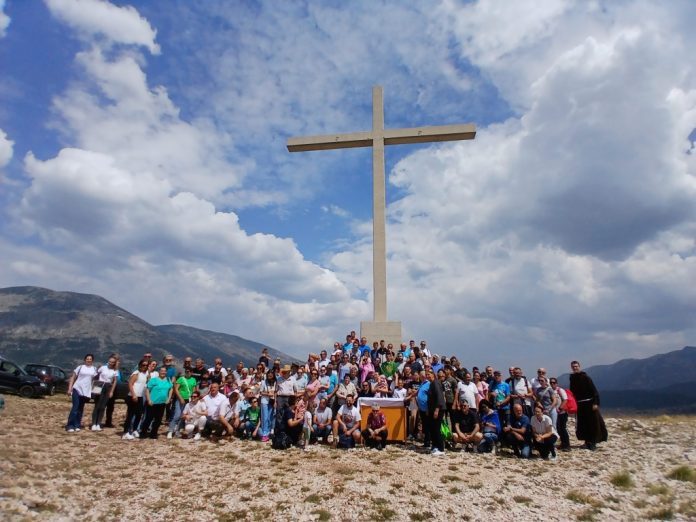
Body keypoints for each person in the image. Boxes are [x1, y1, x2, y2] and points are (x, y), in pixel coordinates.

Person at [569, 360, 607, 451]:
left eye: (576, 366)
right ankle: (587, 441)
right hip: (580, 404)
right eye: (573, 367)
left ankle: (593, 442)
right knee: (583, 424)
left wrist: (596, 403)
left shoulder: (586, 377)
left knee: (593, 423)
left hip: (589, 403)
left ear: (579, 366)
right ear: (571, 368)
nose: (575, 368)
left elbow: (594, 391)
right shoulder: (572, 378)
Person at [66, 354, 97, 433]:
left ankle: (77, 424)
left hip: (86, 391)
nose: (88, 360)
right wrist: (70, 388)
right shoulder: (80, 367)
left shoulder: (94, 369)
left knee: (80, 408)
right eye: (87, 359)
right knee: (75, 407)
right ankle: (70, 425)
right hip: (77, 388)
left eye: (90, 359)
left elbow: (95, 381)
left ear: (92, 360)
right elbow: (73, 377)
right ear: (85, 360)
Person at [140, 366, 173, 439]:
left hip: (162, 403)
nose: (163, 372)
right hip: (152, 402)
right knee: (148, 418)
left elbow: (171, 389)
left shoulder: (168, 380)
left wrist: (169, 398)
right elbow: (147, 390)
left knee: (158, 420)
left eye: (164, 371)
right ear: (159, 372)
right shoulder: (153, 380)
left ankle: (153, 434)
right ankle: (143, 432)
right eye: (161, 371)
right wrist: (148, 400)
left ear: (166, 372)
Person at [90, 355, 119, 431]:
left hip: (108, 386)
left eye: (112, 362)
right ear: (108, 361)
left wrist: (112, 391)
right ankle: (93, 423)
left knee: (103, 406)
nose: (110, 363)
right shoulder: (103, 368)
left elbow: (115, 381)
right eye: (110, 361)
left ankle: (98, 423)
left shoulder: (115, 371)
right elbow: (95, 375)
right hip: (99, 385)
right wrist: (93, 385)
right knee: (97, 405)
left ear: (114, 363)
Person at [168, 367, 197, 438]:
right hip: (180, 399)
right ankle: (170, 431)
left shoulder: (193, 379)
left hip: (189, 400)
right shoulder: (181, 379)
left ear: (192, 372)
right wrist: (180, 398)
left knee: (183, 416)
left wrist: (194, 399)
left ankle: (178, 430)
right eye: (187, 371)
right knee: (177, 415)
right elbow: (176, 389)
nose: (188, 372)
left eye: (190, 371)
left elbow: (193, 390)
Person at [123, 359, 148, 440]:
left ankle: (134, 430)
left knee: (139, 414)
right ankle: (126, 432)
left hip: (140, 396)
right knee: (130, 415)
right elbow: (130, 383)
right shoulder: (136, 373)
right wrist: (133, 394)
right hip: (132, 396)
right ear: (140, 365)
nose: (145, 367)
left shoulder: (145, 374)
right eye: (143, 365)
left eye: (146, 365)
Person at [426, 369, 446, 456]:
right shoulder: (431, 384)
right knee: (432, 429)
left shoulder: (436, 383)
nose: (428, 376)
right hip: (432, 410)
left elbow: (439, 397)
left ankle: (441, 448)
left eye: (429, 374)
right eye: (427, 374)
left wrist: (437, 410)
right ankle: (435, 446)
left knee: (437, 429)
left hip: (437, 410)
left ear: (433, 374)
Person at [550, 377, 571, 451]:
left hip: (562, 412)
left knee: (563, 428)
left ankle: (567, 445)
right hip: (555, 413)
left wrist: (560, 408)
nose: (552, 384)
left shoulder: (560, 390)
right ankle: (563, 443)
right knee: (558, 428)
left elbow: (565, 399)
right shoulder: (550, 390)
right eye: (551, 382)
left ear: (556, 383)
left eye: (554, 382)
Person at [259, 370, 276, 442]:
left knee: (270, 417)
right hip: (264, 401)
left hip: (271, 401)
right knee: (265, 417)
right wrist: (267, 394)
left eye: (271, 374)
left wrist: (275, 401)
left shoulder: (275, 382)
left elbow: (275, 392)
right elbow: (260, 392)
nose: (270, 375)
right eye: (269, 374)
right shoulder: (263, 382)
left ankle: (268, 432)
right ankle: (264, 434)